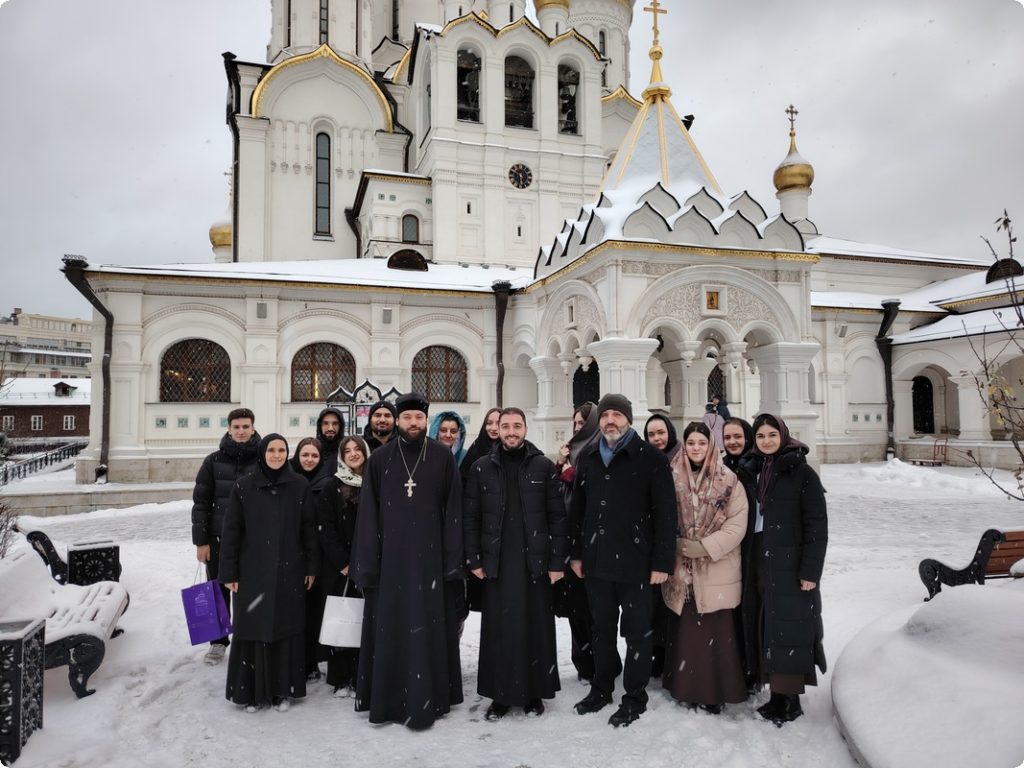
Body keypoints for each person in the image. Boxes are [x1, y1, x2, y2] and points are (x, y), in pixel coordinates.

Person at [350, 392, 465, 730]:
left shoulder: (443, 458)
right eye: (407, 418)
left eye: (418, 418)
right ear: (397, 421)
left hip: (431, 561)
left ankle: (432, 695)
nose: (413, 423)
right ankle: (387, 697)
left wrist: (452, 561)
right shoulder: (380, 459)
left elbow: (454, 511)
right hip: (391, 563)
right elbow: (368, 513)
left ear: (425, 421)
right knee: (391, 628)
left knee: (428, 627)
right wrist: (367, 562)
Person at [569, 394, 676, 727]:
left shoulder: (650, 458)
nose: (610, 420)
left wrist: (662, 562)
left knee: (637, 634)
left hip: (637, 564)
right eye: (605, 415)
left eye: (617, 414)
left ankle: (634, 696)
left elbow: (665, 515)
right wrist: (576, 552)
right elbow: (578, 509)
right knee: (600, 629)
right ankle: (602, 688)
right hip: (598, 562)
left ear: (628, 418)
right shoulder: (588, 457)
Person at [464, 407, 566, 720]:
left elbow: (557, 518)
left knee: (535, 629)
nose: (511, 431)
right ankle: (500, 696)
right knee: (499, 631)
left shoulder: (543, 466)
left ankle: (534, 693)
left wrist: (556, 561)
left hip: (533, 563)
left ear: (525, 428)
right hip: (497, 563)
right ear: (498, 429)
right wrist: (473, 557)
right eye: (505, 426)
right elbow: (471, 518)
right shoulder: (482, 467)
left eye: (516, 426)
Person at [219, 434, 320, 713]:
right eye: (272, 450)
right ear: (263, 453)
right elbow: (231, 533)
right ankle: (250, 691)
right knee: (253, 627)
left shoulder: (298, 485)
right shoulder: (244, 486)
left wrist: (311, 566)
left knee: (285, 629)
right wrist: (229, 572)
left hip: (290, 570)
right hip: (252, 571)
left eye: (281, 450)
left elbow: (309, 530)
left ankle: (281, 689)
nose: (276, 455)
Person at [661, 422, 748, 713]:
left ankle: (715, 692)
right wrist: (675, 542)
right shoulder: (671, 477)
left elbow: (737, 523)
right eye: (691, 443)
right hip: (682, 565)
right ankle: (686, 687)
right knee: (687, 630)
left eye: (701, 442)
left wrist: (706, 546)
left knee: (715, 630)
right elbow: (660, 515)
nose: (696, 448)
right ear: (684, 446)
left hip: (717, 565)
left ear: (710, 445)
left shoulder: (728, 480)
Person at [748, 413, 828, 725]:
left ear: (783, 435)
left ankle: (791, 701)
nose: (766, 441)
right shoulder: (762, 469)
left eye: (771, 435)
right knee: (774, 628)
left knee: (791, 629)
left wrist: (810, 572)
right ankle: (778, 696)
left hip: (792, 565)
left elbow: (816, 526)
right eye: (761, 436)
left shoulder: (802, 473)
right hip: (767, 561)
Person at [190, 407, 260, 665]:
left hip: (254, 538)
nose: (241, 432)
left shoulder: (263, 459)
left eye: (245, 427)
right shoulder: (213, 461)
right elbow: (201, 502)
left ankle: (250, 635)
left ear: (253, 428)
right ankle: (218, 642)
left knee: (252, 588)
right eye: (236, 427)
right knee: (218, 588)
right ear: (229, 429)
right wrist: (201, 540)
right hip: (219, 538)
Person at [553, 402, 604, 684]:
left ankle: (600, 662)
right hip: (572, 539)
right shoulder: (573, 450)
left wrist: (572, 476)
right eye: (575, 423)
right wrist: (561, 468)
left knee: (595, 610)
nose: (576, 428)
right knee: (578, 609)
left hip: (592, 540)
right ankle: (584, 663)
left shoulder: (598, 448)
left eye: (581, 423)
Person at [316, 435, 370, 698]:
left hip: (369, 565)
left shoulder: (375, 483)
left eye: (357, 449)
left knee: (365, 622)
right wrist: (343, 562)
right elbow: (325, 529)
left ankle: (362, 675)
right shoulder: (331, 486)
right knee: (344, 619)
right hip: (341, 568)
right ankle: (340, 678)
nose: (353, 454)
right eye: (347, 450)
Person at [721, 417, 759, 692]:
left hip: (751, 549)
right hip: (727, 551)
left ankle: (751, 669)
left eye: (738, 436)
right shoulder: (723, 468)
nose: (733, 442)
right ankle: (735, 667)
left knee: (750, 609)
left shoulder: (756, 466)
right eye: (728, 437)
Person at [289, 436, 332, 681]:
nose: (309, 460)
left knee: (314, 610)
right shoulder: (288, 480)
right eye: (305, 455)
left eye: (314, 456)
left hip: (317, 557)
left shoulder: (325, 483)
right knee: (294, 610)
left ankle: (311, 660)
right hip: (292, 555)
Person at [642, 412, 681, 678]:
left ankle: (673, 658)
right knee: (653, 604)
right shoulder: (642, 461)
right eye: (651, 434)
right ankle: (656, 656)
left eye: (660, 433)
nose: (657, 439)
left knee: (676, 604)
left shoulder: (684, 459)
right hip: (650, 543)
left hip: (681, 543)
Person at [460, 407, 501, 485]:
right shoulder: (476, 448)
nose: (494, 428)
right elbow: (464, 479)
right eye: (489, 423)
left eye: (498, 424)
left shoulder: (509, 449)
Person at [315, 407, 346, 473]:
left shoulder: (347, 452)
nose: (330, 428)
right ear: (320, 426)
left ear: (341, 427)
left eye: (335, 424)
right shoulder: (312, 451)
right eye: (326, 423)